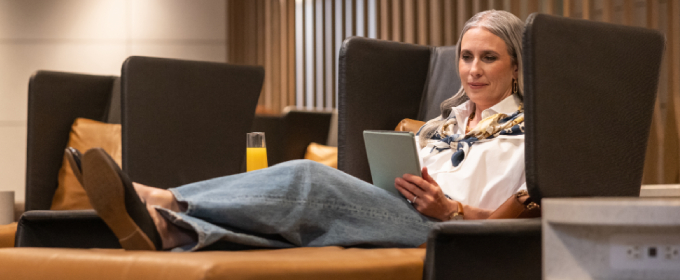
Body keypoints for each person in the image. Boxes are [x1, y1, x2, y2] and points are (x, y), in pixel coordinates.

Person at [66, 9, 527, 252]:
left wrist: (451, 210)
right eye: (466, 57)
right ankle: (171, 232)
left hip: (450, 232)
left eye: (489, 58)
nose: (472, 70)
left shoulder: (534, 134)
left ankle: (163, 199)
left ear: (517, 66)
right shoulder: (436, 127)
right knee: (294, 223)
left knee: (308, 177)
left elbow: (520, 223)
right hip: (398, 213)